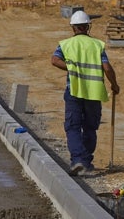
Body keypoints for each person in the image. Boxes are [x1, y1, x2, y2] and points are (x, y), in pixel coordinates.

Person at [51, 10, 120, 176]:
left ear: (73, 28)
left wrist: (71, 67)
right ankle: (86, 162)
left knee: (73, 127)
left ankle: (78, 161)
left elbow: (54, 60)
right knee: (90, 128)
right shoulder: (97, 45)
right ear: (88, 27)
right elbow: (107, 68)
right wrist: (115, 85)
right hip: (93, 94)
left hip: (74, 91)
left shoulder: (66, 44)